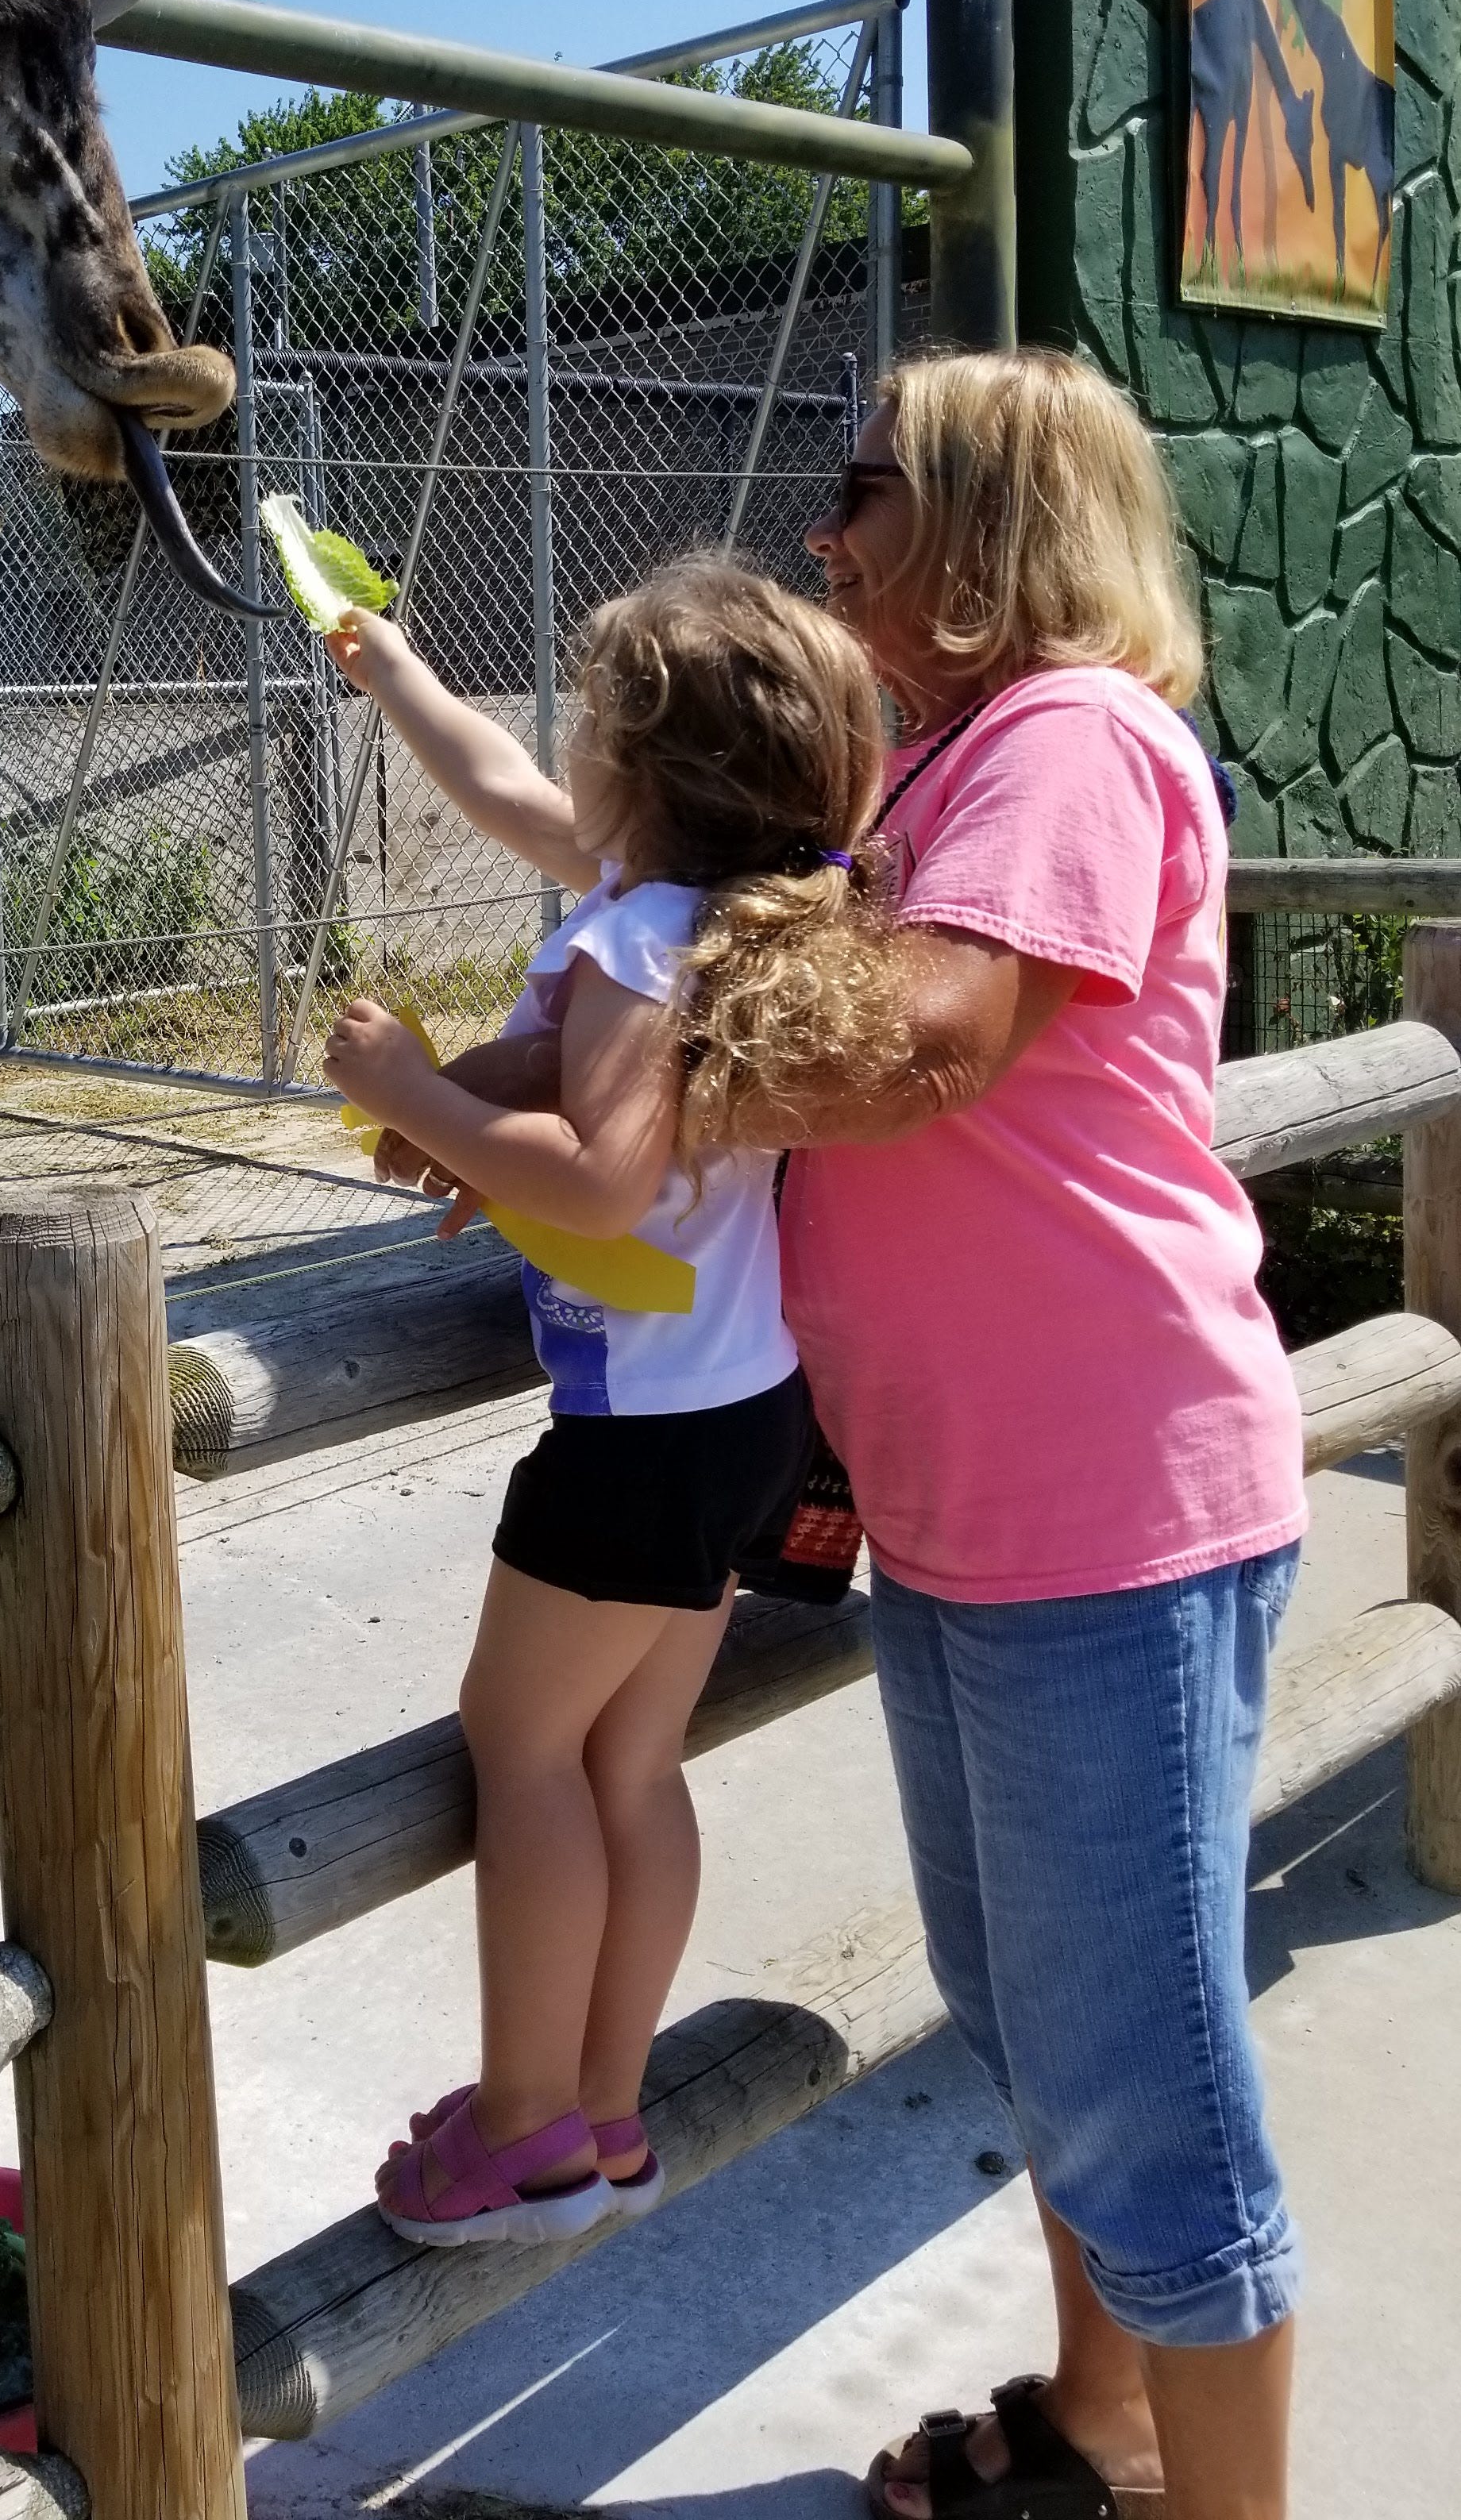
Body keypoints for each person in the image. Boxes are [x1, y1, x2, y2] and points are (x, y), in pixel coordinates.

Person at [372, 353, 1304, 2520]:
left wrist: (579, 1125)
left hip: (1108, 1509)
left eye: (860, 487)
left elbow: (935, 1039)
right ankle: (1104, 2426)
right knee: (1053, 2036)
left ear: (984, 519)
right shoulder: (959, 766)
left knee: (1149, 2087)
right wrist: (540, 1107)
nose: (828, 531)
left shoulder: (1067, 737)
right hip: (987, 1515)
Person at [321, 556, 908, 2248]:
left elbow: (594, 1177)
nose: (559, 752)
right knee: (633, 1762)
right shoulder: (732, 908)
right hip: (738, 1417)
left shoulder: (642, 932)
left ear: (641, 770)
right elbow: (494, 784)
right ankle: (603, 2108)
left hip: (638, 1439)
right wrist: (391, 661)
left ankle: (522, 2138)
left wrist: (415, 1090)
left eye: (584, 724)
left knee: (524, 1750)